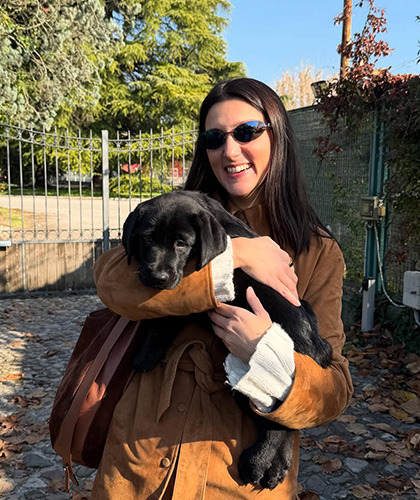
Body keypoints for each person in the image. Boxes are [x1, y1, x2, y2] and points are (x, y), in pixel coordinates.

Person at [91, 78, 353, 500]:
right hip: (138, 465)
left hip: (234, 480)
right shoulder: (177, 211)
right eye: (214, 138)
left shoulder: (317, 251)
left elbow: (333, 388)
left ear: (279, 136)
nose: (229, 151)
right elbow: (111, 280)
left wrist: (267, 356)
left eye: (247, 132)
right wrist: (236, 257)